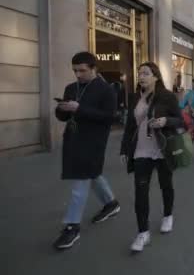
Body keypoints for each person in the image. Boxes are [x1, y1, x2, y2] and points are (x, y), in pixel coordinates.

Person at [53, 52, 120, 250]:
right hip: (73, 139)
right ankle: (111, 204)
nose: (78, 75)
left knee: (80, 181)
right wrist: (63, 109)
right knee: (93, 174)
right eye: (75, 70)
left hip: (94, 142)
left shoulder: (106, 90)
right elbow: (62, 117)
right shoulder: (71, 88)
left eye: (82, 70)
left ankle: (72, 226)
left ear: (94, 69)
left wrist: (79, 109)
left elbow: (110, 117)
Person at [119, 62, 183, 252]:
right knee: (140, 193)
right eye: (139, 73)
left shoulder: (167, 96)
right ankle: (142, 233)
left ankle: (168, 216)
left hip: (162, 150)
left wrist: (166, 120)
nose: (141, 76)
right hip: (141, 151)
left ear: (156, 76)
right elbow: (130, 126)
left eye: (146, 73)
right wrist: (124, 149)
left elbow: (181, 121)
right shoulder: (134, 98)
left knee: (166, 185)